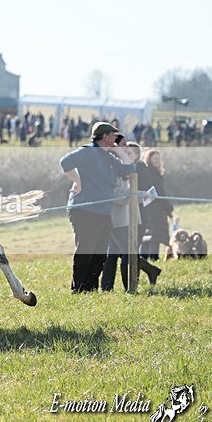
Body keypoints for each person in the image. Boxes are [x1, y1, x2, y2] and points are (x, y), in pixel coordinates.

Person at [60, 122, 136, 294]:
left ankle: (91, 289)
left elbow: (130, 169)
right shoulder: (88, 150)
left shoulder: (109, 157)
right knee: (86, 250)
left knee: (100, 253)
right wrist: (77, 180)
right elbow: (65, 162)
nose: (116, 138)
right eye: (113, 135)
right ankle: (78, 289)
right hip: (84, 210)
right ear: (105, 136)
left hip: (104, 212)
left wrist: (119, 151)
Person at [101, 140, 161, 291]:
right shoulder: (117, 169)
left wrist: (143, 196)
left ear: (136, 156)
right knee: (121, 251)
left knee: (125, 251)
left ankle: (128, 286)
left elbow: (130, 193)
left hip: (134, 215)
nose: (125, 154)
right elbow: (121, 195)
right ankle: (133, 282)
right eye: (124, 152)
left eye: (129, 153)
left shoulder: (139, 170)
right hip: (119, 215)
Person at [138, 149, 173, 260]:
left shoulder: (148, 172)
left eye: (159, 159)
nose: (158, 161)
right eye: (155, 159)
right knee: (154, 237)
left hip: (147, 208)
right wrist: (169, 209)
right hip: (155, 210)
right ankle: (154, 259)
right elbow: (160, 194)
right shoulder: (153, 174)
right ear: (149, 160)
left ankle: (142, 260)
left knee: (147, 237)